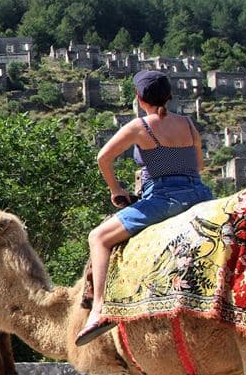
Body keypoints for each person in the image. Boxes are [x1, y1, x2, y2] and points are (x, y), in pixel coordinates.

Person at [76, 70, 213, 346]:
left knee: (98, 238)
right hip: (200, 195)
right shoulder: (188, 124)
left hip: (164, 198)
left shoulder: (140, 127)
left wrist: (116, 189)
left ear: (139, 98)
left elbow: (103, 157)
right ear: (170, 96)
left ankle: (99, 309)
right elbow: (199, 167)